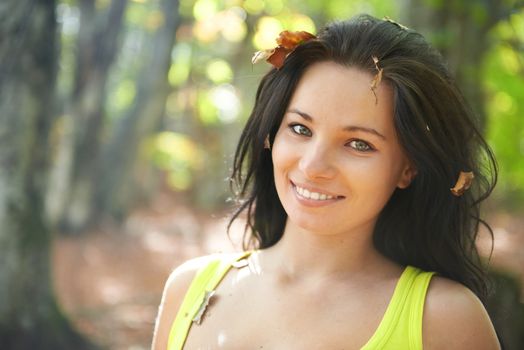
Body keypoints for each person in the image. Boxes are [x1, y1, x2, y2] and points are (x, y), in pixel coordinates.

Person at [152, 14, 501, 349]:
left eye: (359, 144)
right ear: (272, 135)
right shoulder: (190, 289)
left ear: (407, 169)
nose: (313, 165)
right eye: (300, 129)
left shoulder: (444, 320)